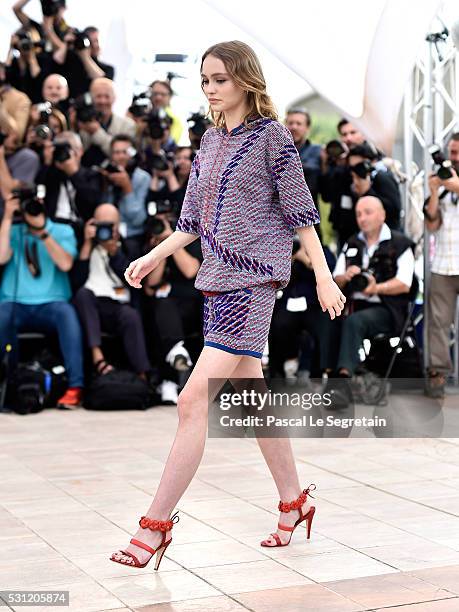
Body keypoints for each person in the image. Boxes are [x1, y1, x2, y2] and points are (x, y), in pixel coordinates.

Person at [110, 40, 345, 570]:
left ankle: (155, 526)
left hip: (255, 282)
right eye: (205, 80)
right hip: (217, 281)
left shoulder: (273, 138)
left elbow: (301, 213)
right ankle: (294, 501)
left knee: (194, 402)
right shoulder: (210, 141)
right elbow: (191, 220)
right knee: (253, 398)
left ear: (244, 79)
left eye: (219, 79)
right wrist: (152, 256)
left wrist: (324, 278)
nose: (211, 89)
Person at [0, 191, 84, 409]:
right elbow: (1, 256)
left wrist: (42, 232)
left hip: (52, 303)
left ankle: (75, 386)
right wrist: (8, 216)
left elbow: (66, 264)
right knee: (1, 315)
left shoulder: (62, 230)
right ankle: (8, 383)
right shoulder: (14, 230)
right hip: (15, 303)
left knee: (67, 314)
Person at [329, 195, 415, 406]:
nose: (362, 218)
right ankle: (326, 374)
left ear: (382, 214)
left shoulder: (401, 243)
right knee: (327, 319)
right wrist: (346, 276)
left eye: (368, 212)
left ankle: (342, 381)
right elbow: (335, 280)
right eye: (358, 214)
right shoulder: (352, 243)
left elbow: (404, 283)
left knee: (354, 321)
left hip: (387, 308)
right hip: (354, 304)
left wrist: (376, 287)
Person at [71, 204, 151, 379]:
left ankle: (142, 375)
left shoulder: (129, 246)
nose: (106, 230)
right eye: (102, 224)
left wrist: (114, 252)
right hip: (91, 305)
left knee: (131, 315)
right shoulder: (83, 242)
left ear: (118, 224)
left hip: (118, 304)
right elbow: (76, 282)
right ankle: (97, 356)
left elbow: (133, 279)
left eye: (111, 225)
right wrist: (86, 243)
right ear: (93, 223)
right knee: (83, 294)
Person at [424, 133, 459, 398]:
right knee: (438, 322)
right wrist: (435, 191)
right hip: (444, 263)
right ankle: (437, 372)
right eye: (451, 152)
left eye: (457, 152)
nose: (453, 158)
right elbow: (432, 224)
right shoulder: (446, 181)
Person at [285, 108, 322, 205]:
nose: (294, 127)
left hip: (309, 216)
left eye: (299, 123)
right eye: (290, 123)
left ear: (307, 128)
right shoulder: (274, 151)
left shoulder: (318, 152)